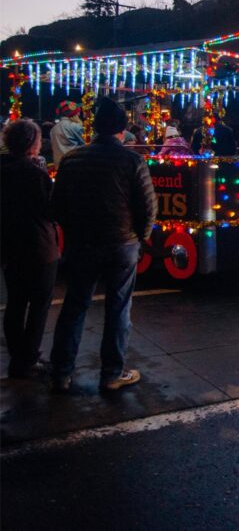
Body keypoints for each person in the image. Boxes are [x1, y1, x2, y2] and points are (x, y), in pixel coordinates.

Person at [50, 97, 158, 393]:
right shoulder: (133, 161)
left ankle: (61, 372)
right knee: (118, 308)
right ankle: (112, 373)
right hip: (122, 244)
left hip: (83, 243)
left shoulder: (72, 160)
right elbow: (148, 208)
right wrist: (141, 236)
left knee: (74, 306)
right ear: (121, 130)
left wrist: (73, 231)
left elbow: (57, 206)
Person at [1, 120, 60, 379]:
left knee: (15, 302)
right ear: (32, 143)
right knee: (38, 305)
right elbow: (51, 209)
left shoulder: (3, 171)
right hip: (39, 246)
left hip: (10, 245)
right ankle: (29, 358)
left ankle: (18, 356)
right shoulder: (35, 174)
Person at [51, 100, 85, 167]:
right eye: (78, 111)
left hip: (58, 165)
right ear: (73, 113)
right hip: (73, 165)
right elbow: (87, 144)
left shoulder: (53, 128)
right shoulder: (75, 126)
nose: (79, 114)